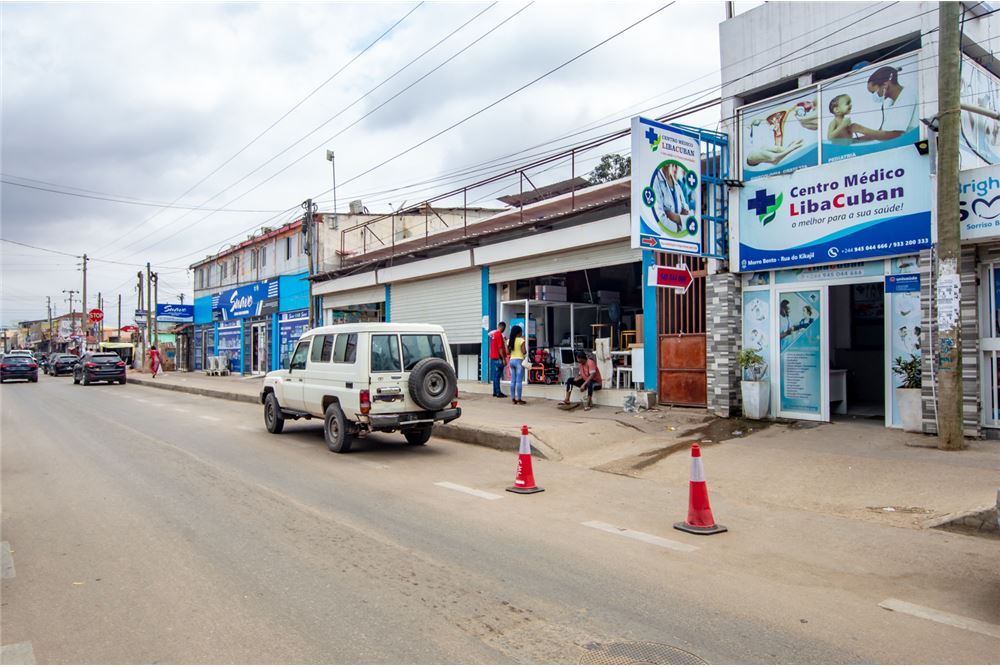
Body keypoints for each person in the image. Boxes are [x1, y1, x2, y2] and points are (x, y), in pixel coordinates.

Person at [652, 163, 690, 232]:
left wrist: (673, 217)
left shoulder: (678, 186)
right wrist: (678, 227)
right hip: (664, 235)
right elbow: (660, 218)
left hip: (680, 237)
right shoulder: (655, 181)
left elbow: (688, 216)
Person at [506, 325, 527, 405]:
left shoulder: (509, 341)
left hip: (511, 361)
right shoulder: (521, 340)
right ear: (519, 333)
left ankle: (513, 398)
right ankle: (519, 399)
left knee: (513, 381)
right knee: (519, 381)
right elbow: (524, 351)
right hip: (519, 362)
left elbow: (508, 352)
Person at [488, 321, 509, 398]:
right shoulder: (499, 334)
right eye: (504, 328)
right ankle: (498, 392)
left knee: (496, 375)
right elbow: (500, 348)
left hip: (494, 356)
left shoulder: (495, 334)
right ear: (503, 327)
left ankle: (495, 391)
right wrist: (503, 358)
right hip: (498, 357)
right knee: (497, 375)